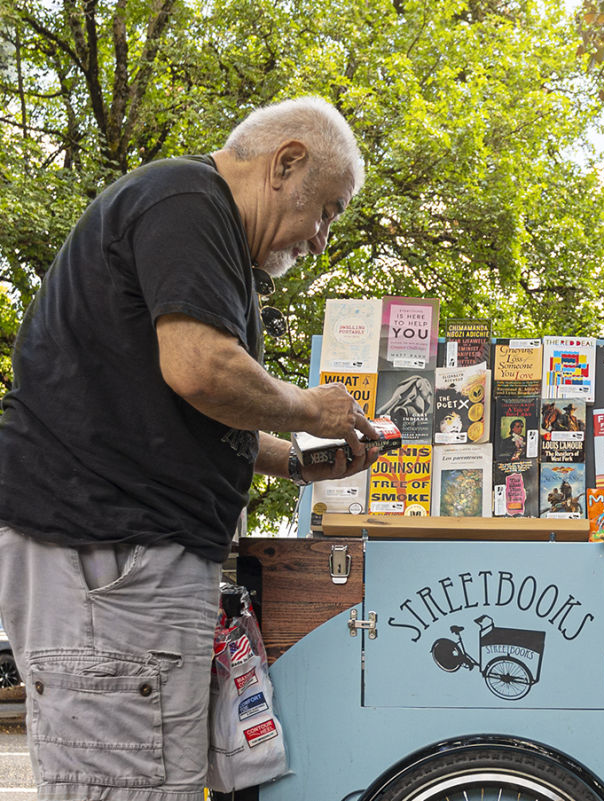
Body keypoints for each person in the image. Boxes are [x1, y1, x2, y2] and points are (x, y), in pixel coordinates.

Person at [0, 96, 380, 801]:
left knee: (153, 777)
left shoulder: (199, 227)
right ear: (286, 162)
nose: (323, 237)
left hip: (122, 561)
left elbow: (197, 407)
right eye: (327, 209)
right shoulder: (187, 201)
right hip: (109, 558)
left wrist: (297, 461)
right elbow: (201, 369)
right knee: (124, 781)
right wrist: (309, 407)